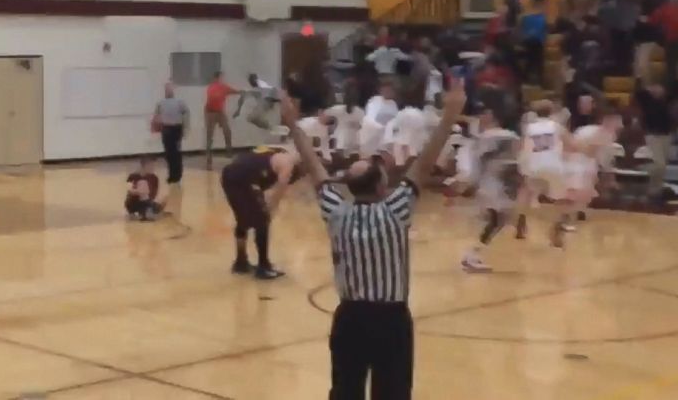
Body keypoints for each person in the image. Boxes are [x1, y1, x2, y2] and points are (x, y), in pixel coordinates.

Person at [280, 80, 465, 400]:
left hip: (350, 318)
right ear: (382, 186)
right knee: (393, 393)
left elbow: (313, 165)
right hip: (390, 319)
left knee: (345, 390)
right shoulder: (396, 209)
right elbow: (424, 162)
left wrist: (292, 124)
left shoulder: (336, 211)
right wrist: (450, 116)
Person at [220, 144, 301, 280]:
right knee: (262, 220)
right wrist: (270, 208)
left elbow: (255, 168)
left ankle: (241, 261)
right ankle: (263, 267)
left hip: (229, 175)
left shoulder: (275, 153)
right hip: (241, 180)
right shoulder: (288, 164)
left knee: (242, 218)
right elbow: (279, 190)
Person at [461, 107, 523, 272]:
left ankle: (473, 253)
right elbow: (514, 165)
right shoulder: (511, 137)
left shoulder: (481, 138)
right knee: (497, 220)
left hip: (486, 183)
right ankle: (472, 254)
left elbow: (475, 164)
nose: (482, 117)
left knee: (496, 220)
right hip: (498, 185)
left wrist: (472, 182)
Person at [519, 100, 573, 247]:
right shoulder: (556, 126)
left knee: (526, 192)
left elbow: (523, 147)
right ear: (552, 112)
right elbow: (571, 144)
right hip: (553, 166)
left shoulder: (529, 128)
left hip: (534, 165)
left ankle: (521, 220)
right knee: (562, 200)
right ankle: (556, 231)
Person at [563, 111, 622, 223]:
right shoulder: (600, 133)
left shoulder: (588, 129)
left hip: (583, 163)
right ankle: (569, 215)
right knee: (577, 190)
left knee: (583, 190)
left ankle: (578, 211)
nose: (620, 126)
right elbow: (595, 153)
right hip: (580, 163)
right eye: (617, 123)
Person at [634, 83, 673, 201]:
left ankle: (657, 191)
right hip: (652, 135)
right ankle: (652, 191)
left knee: (663, 166)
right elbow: (637, 92)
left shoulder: (667, 99)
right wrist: (649, 88)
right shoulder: (645, 99)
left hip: (666, 135)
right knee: (659, 164)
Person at [153, 83, 189, 183]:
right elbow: (156, 115)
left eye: (170, 89)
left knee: (176, 152)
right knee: (168, 153)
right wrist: (156, 125)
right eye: (166, 89)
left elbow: (186, 113)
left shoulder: (179, 102)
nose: (168, 91)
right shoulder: (161, 103)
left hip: (176, 128)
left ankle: (178, 175)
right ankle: (171, 174)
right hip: (166, 128)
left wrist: (185, 128)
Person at [205, 72, 239, 168]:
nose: (222, 79)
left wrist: (241, 91)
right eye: (221, 77)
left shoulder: (224, 87)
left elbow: (233, 91)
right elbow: (213, 98)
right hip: (211, 113)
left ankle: (229, 151)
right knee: (209, 137)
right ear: (217, 78)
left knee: (227, 131)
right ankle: (209, 161)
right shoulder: (211, 87)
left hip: (220, 113)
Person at [125, 157, 164, 221]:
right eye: (151, 166)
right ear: (145, 166)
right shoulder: (132, 176)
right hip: (133, 203)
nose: (153, 168)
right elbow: (129, 190)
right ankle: (145, 211)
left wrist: (145, 194)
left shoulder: (154, 178)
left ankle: (148, 211)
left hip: (146, 202)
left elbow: (153, 194)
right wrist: (138, 192)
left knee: (162, 202)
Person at [520, 7, 547, 85]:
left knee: (531, 61)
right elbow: (544, 33)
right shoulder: (541, 18)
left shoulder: (526, 18)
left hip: (530, 43)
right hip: (536, 44)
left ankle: (528, 79)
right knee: (537, 61)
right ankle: (538, 80)